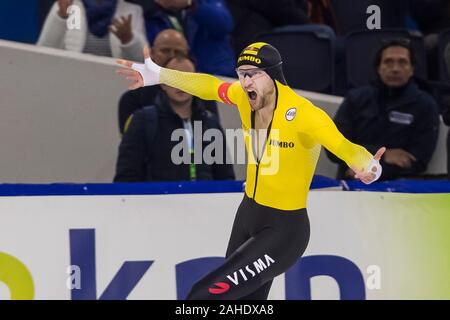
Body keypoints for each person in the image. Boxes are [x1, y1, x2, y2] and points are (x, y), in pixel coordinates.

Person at [116, 42, 385, 300]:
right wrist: (161, 75)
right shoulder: (245, 99)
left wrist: (367, 165)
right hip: (248, 215)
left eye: (253, 75)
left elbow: (342, 145)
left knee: (202, 295)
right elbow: (210, 86)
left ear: (273, 76)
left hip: (284, 230)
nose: (245, 84)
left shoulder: (304, 114)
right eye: (241, 75)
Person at [328, 39, 440, 181]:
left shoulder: (425, 105)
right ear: (378, 68)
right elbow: (334, 148)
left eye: (402, 62)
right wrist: (384, 155)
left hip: (399, 190)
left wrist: (370, 170)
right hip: (351, 185)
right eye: (388, 62)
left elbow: (417, 160)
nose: (395, 68)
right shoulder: (356, 99)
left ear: (412, 69)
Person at [114, 55, 235, 182]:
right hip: (158, 200)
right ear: (162, 83)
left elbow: (225, 177)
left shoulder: (210, 122)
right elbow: (126, 176)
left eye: (188, 77)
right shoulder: (144, 120)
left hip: (206, 200)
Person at [118, 28, 190, 133]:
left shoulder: (203, 98)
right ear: (152, 54)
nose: (172, 56)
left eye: (178, 52)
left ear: (187, 56)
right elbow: (131, 145)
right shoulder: (132, 100)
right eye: (165, 51)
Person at [143, 0, 236, 76]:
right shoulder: (151, 13)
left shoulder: (205, 3)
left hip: (215, 76)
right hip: (171, 79)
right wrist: (156, 8)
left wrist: (190, 4)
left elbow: (224, 25)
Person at [38, 0, 147, 61]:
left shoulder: (131, 11)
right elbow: (42, 53)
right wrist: (61, 18)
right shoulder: (68, 5)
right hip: (70, 79)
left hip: (113, 85)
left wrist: (128, 40)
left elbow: (142, 62)